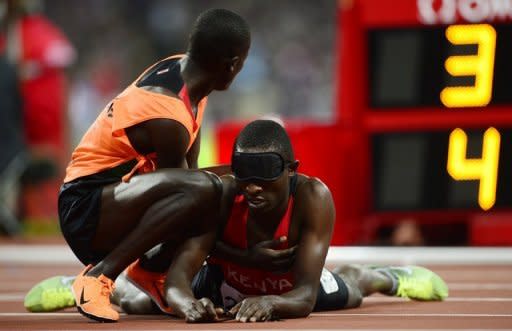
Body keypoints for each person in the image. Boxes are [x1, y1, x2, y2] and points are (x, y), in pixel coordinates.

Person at [25, 120, 448, 322]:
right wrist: (190, 301)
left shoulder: (314, 197)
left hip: (287, 287)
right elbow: (182, 272)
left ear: (292, 172)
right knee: (142, 304)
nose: (255, 193)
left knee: (351, 288)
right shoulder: (223, 192)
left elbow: (301, 295)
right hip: (226, 281)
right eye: (247, 183)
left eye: (266, 183)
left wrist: (270, 301)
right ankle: (81, 283)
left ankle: (390, 277)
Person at [50, 8, 250, 323]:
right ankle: (99, 276)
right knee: (208, 189)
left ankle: (153, 275)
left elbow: (190, 178)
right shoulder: (168, 116)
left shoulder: (191, 82)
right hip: (84, 208)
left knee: (213, 189)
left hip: (117, 199)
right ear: (232, 65)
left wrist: (241, 175)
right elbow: (187, 189)